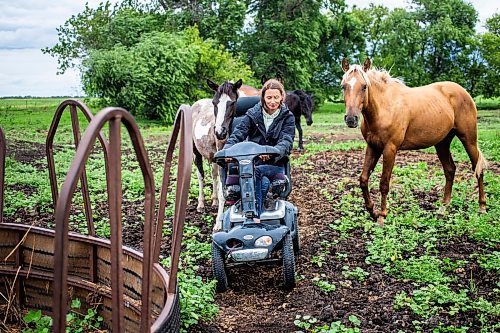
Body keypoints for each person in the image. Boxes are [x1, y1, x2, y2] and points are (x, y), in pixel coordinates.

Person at [223, 79, 295, 222]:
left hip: (275, 163)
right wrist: (226, 150)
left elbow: (286, 141)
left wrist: (272, 152)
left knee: (256, 172)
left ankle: (253, 215)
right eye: (269, 97)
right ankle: (259, 218)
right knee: (263, 182)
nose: (272, 101)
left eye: (276, 97)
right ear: (263, 97)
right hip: (252, 162)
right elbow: (238, 134)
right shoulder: (252, 114)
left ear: (282, 97)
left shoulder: (288, 117)